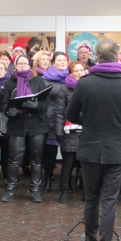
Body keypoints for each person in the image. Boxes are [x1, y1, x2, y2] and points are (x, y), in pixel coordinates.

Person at [65, 40, 121, 241]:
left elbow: (71, 114)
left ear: (96, 56)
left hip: (89, 148)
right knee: (109, 201)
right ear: (118, 56)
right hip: (116, 150)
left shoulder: (85, 83)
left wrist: (89, 118)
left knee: (91, 199)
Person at [0, 54, 49, 203]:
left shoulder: (39, 81)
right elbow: (3, 104)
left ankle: (35, 191)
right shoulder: (9, 83)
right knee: (13, 160)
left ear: (30, 65)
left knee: (36, 160)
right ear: (15, 66)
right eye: (19, 63)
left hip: (37, 125)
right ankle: (10, 190)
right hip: (17, 124)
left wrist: (36, 105)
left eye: (25, 63)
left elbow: (45, 104)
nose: (22, 66)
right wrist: (9, 110)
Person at [55, 60, 86, 203]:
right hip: (70, 131)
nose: (79, 73)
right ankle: (64, 191)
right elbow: (60, 113)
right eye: (76, 71)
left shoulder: (89, 87)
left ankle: (86, 192)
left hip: (86, 131)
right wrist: (59, 132)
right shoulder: (64, 89)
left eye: (81, 70)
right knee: (68, 163)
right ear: (71, 73)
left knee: (85, 164)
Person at [41, 51, 69, 193]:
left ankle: (66, 182)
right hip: (50, 120)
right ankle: (47, 180)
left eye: (65, 60)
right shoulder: (45, 80)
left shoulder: (72, 78)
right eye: (60, 60)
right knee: (49, 154)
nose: (63, 62)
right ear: (53, 63)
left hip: (67, 120)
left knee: (68, 153)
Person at [0, 60, 11, 182]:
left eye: (1, 68)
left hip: (7, 120)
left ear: (6, 70)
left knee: (7, 151)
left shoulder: (10, 84)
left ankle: (7, 175)